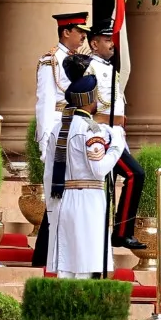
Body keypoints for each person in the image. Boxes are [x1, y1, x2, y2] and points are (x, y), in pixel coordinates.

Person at [43, 54, 126, 279]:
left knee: (67, 268)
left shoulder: (57, 128)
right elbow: (99, 169)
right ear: (91, 100)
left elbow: (49, 173)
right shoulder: (91, 129)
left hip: (64, 199)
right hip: (88, 200)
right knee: (87, 267)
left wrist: (51, 206)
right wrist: (117, 145)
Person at [30, 10, 92, 268]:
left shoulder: (81, 59)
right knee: (56, 195)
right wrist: (45, 141)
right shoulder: (50, 61)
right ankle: (46, 255)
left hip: (76, 128)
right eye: (80, 32)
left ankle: (51, 253)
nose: (83, 37)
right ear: (66, 32)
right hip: (59, 128)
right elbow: (45, 102)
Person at [87, 4, 146, 251]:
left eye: (112, 38)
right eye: (106, 39)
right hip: (102, 134)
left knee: (131, 177)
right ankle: (121, 232)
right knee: (135, 174)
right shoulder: (88, 67)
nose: (112, 43)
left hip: (117, 133)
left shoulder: (110, 68)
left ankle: (120, 231)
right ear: (93, 44)